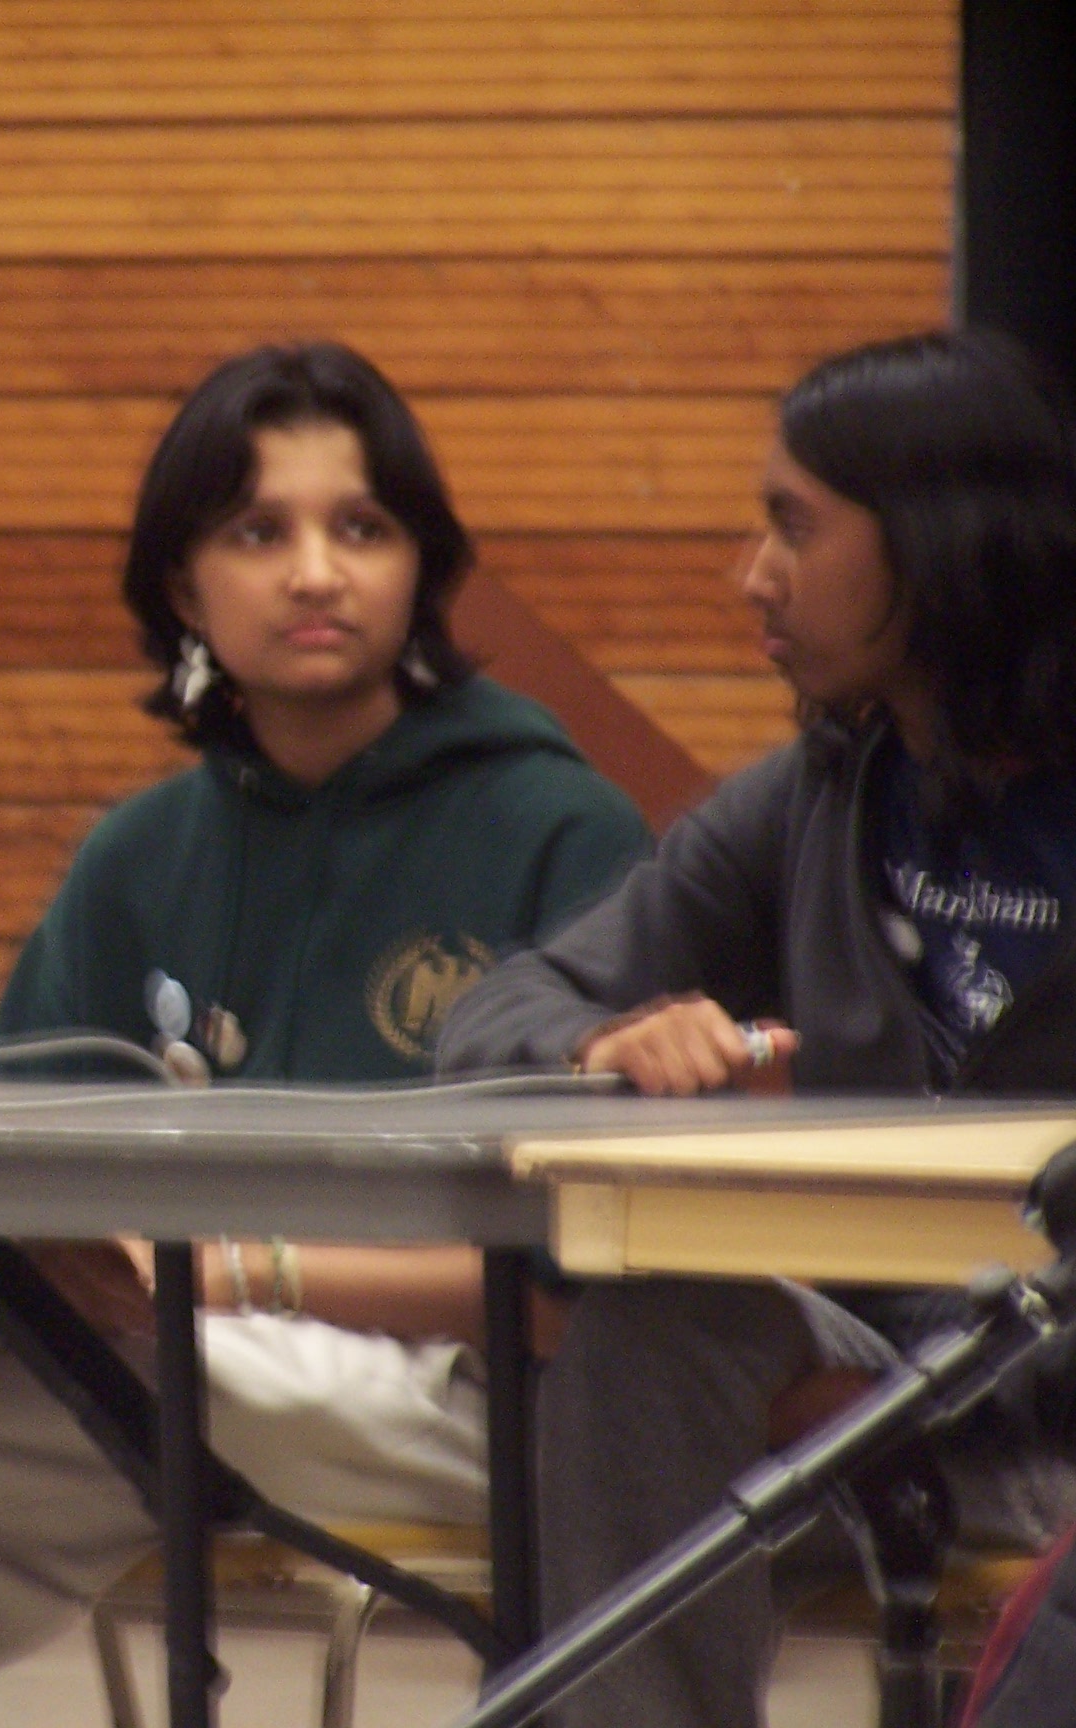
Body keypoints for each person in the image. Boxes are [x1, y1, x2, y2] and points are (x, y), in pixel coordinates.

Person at [0, 341, 650, 1728]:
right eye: (258, 532)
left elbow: (598, 1273)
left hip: (468, 1394)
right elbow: (16, 1169)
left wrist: (241, 1270)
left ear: (423, 567)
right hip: (196, 1354)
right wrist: (65, 1241)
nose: (316, 573)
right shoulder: (143, 853)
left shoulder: (560, 828)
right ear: (182, 586)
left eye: (361, 528)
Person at [436, 329, 1076, 1728]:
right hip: (882, 1383)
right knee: (651, 1325)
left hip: (1031, 1394)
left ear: (941, 542)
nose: (753, 575)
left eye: (794, 526)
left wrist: (923, 1402)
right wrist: (599, 1044)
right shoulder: (816, 798)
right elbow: (495, 1013)